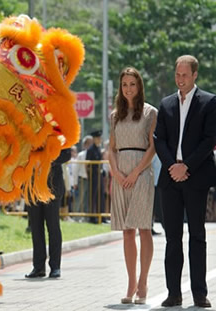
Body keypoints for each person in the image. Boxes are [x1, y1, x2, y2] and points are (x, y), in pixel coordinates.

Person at [153, 55, 216, 308]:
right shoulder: (166, 104)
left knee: (197, 235)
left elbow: (209, 139)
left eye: (185, 75)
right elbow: (159, 139)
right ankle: (173, 293)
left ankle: (199, 293)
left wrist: (186, 166)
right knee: (172, 238)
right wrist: (172, 166)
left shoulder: (209, 102)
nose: (180, 79)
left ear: (195, 75)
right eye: (177, 75)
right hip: (170, 178)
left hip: (195, 176)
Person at [109, 67, 157, 304]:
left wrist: (136, 172)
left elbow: (152, 147)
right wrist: (116, 173)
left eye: (132, 84)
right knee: (127, 231)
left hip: (141, 175)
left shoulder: (150, 113)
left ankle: (144, 282)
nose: (128, 88)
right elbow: (111, 148)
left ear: (139, 87)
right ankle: (130, 283)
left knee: (143, 228)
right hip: (121, 176)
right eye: (125, 84)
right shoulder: (115, 115)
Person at [25, 148, 71, 279]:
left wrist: (47, 159)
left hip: (52, 185)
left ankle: (55, 267)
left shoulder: (57, 130)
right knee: (36, 227)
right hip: (33, 186)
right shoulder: (29, 131)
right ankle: (38, 267)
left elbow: (66, 154)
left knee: (53, 226)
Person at [86, 130, 105, 224]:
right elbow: (87, 165)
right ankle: (92, 217)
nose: (99, 140)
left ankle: (101, 216)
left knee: (101, 196)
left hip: (100, 175)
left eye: (100, 138)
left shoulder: (98, 148)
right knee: (93, 197)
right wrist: (89, 175)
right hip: (93, 176)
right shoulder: (91, 150)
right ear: (94, 139)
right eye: (98, 138)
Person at [73, 135, 93, 218]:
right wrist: (75, 182)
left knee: (86, 199)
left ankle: (85, 217)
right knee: (79, 199)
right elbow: (75, 170)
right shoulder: (81, 155)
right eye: (88, 143)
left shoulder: (92, 154)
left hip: (90, 179)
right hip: (82, 179)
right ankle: (75, 216)